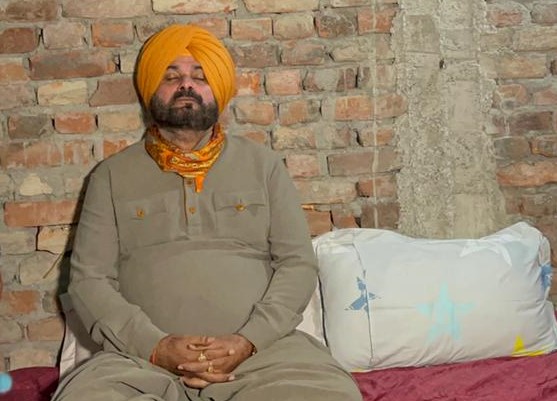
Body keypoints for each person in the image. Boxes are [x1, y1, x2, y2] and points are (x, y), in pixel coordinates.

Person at [52, 24, 363, 401]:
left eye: (200, 76)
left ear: (219, 88)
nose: (186, 84)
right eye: (171, 76)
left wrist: (248, 340)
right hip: (138, 362)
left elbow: (297, 264)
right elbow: (89, 281)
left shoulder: (263, 166)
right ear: (149, 89)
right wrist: (155, 347)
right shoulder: (112, 176)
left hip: (265, 358)